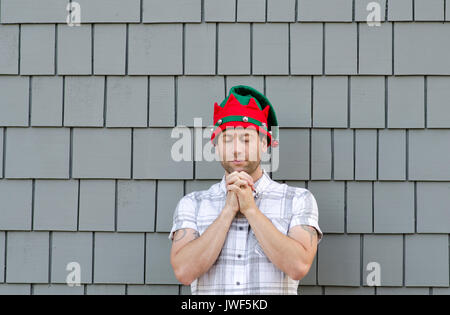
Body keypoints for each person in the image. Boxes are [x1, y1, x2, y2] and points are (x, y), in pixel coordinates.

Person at [169, 85, 322, 295]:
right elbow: (183, 271)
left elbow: (298, 266)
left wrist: (251, 210)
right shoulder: (192, 204)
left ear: (264, 144)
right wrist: (227, 212)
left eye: (246, 139)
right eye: (227, 139)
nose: (236, 149)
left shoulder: (298, 199)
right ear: (216, 145)